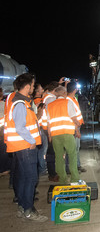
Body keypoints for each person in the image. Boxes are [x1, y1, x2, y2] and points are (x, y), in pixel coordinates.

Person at [4, 73, 47, 221]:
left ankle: (23, 206)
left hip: (21, 147)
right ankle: (29, 210)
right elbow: (20, 127)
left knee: (23, 177)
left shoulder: (20, 102)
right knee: (31, 178)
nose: (34, 88)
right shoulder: (20, 104)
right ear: (27, 86)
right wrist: (32, 141)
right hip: (25, 147)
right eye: (33, 85)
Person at [44, 86, 81, 185]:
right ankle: (74, 178)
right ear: (64, 93)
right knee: (72, 155)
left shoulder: (50, 105)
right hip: (67, 133)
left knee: (59, 157)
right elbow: (73, 118)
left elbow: (48, 123)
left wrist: (50, 136)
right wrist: (78, 125)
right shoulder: (68, 102)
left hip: (55, 135)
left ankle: (62, 179)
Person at [66, 82, 86, 173]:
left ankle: (77, 165)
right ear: (75, 89)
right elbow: (72, 117)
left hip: (77, 126)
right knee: (72, 149)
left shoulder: (73, 99)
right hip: (73, 128)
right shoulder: (69, 100)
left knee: (77, 148)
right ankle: (72, 168)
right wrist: (76, 130)